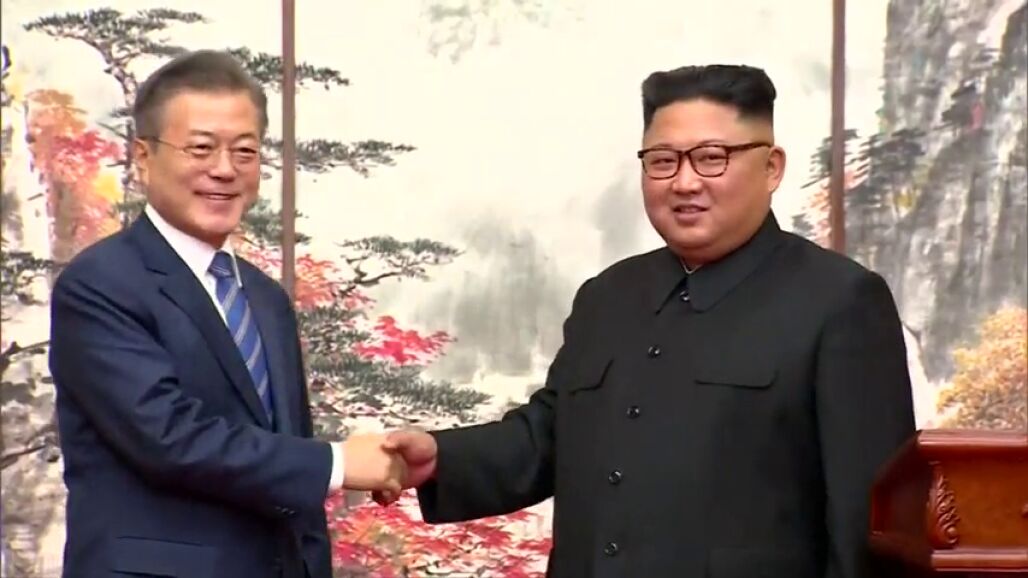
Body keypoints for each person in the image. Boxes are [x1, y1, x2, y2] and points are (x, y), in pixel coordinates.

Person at [377, 64, 916, 578]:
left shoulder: (840, 301)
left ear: (771, 167)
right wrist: (440, 458)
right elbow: (550, 438)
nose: (684, 182)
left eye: (711, 158)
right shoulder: (607, 296)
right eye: (662, 161)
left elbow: (869, 525)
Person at [48, 50, 404, 578]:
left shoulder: (265, 298)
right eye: (201, 148)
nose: (223, 169)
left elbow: (286, 453)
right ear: (143, 157)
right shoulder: (100, 284)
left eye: (245, 151)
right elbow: (169, 438)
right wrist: (338, 464)